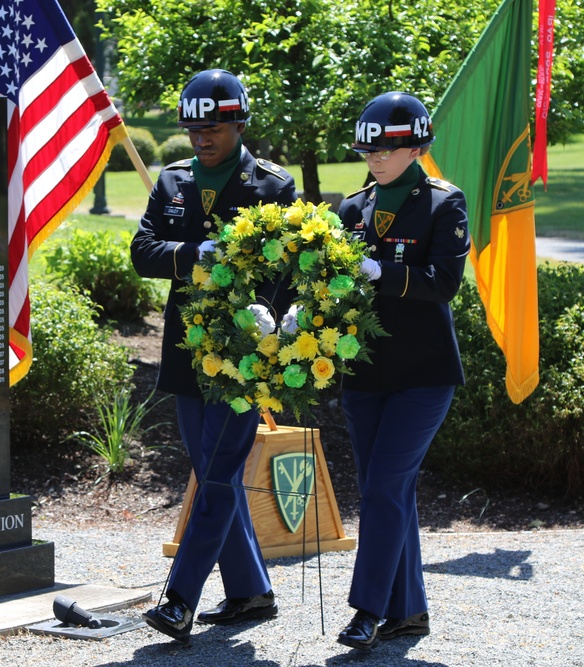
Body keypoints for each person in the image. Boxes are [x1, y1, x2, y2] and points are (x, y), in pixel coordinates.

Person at [130, 69, 296, 643]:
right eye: (195, 126)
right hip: (184, 349)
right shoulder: (173, 179)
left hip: (243, 353)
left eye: (216, 126)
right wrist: (189, 253)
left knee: (220, 471)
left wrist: (260, 318)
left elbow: (283, 270)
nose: (203, 136)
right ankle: (252, 592)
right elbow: (143, 250)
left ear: (240, 123)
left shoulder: (272, 187)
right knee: (210, 470)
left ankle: (179, 598)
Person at [335, 91, 470, 650]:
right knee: (385, 488)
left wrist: (381, 272)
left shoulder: (443, 203)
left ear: (416, 146)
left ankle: (368, 609)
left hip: (424, 373)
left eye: (388, 149)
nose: (377, 159)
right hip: (364, 375)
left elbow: (443, 283)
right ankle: (409, 610)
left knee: (385, 487)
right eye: (369, 150)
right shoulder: (350, 207)